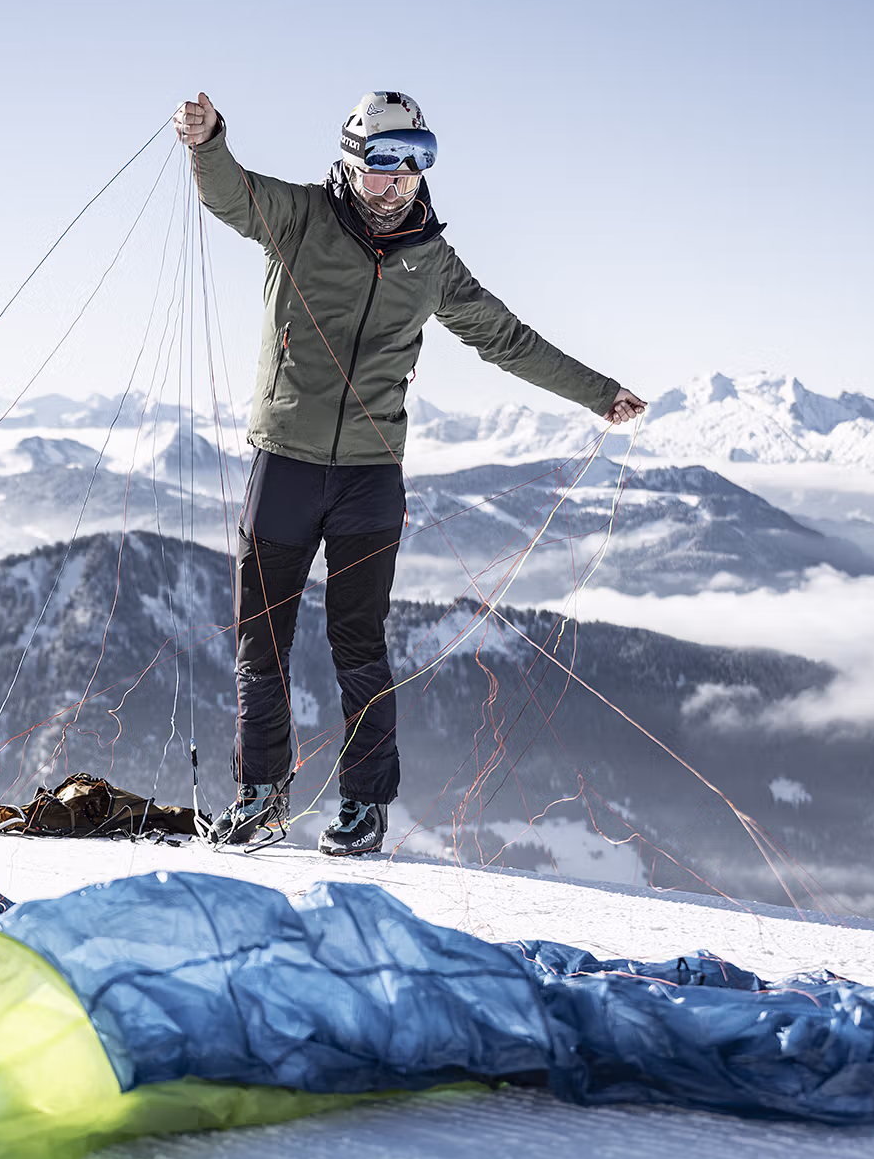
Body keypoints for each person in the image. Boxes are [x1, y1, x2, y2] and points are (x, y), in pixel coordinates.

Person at [174, 90, 647, 857]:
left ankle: (364, 809)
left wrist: (599, 393)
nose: (398, 181)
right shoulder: (300, 218)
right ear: (352, 162)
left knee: (359, 644)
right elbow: (232, 194)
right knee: (262, 642)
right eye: (383, 163)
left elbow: (507, 338)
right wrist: (209, 143)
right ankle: (260, 798)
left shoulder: (433, 262)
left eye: (415, 160)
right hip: (284, 466)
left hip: (369, 478)